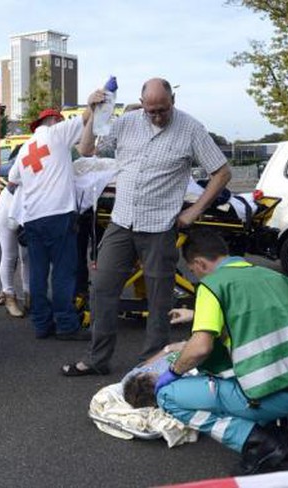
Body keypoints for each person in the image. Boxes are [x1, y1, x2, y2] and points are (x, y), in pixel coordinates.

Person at [62, 78, 232, 376]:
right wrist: (91, 113)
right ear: (142, 104)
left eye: (162, 110)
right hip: (121, 221)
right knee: (102, 289)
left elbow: (222, 172)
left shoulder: (191, 129)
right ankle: (96, 359)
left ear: (173, 101)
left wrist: (194, 210)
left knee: (159, 298)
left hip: (159, 226)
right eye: (150, 110)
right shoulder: (127, 122)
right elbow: (87, 150)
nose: (156, 116)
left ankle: (150, 364)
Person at [151, 229, 288, 475]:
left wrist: (172, 374)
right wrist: (198, 316)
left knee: (168, 395)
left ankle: (259, 443)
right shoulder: (274, 277)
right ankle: (278, 436)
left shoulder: (212, 285)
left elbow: (200, 349)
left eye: (193, 269)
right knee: (260, 368)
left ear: (199, 263)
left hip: (268, 394)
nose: (195, 275)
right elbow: (257, 318)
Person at [7, 108, 91, 340]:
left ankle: (42, 324)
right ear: (53, 120)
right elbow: (86, 115)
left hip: (33, 217)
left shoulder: (25, 148)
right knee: (63, 272)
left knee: (38, 273)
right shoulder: (57, 133)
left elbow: (13, 180)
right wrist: (102, 95)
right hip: (58, 214)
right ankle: (66, 324)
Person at [0, 182, 29, 318]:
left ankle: (28, 295)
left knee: (27, 256)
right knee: (9, 255)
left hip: (29, 208)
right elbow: (11, 175)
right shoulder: (20, 163)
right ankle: (9, 296)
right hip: (8, 207)